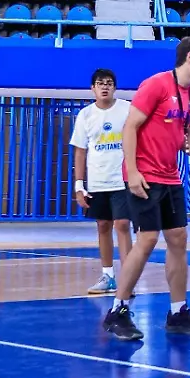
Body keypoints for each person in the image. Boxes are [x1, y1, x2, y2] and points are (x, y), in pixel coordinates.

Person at [103, 37, 190, 341]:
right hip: (145, 175)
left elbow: (186, 143)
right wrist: (133, 172)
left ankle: (177, 312)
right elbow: (130, 127)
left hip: (170, 177)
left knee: (178, 238)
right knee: (147, 239)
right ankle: (117, 310)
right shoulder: (156, 85)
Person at [70, 68, 133, 295]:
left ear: (114, 88)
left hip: (123, 179)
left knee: (122, 224)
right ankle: (108, 276)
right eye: (100, 83)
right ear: (93, 88)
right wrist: (79, 186)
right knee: (103, 225)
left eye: (108, 83)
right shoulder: (85, 115)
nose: (104, 87)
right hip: (98, 181)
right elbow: (80, 151)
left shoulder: (127, 109)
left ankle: (128, 278)